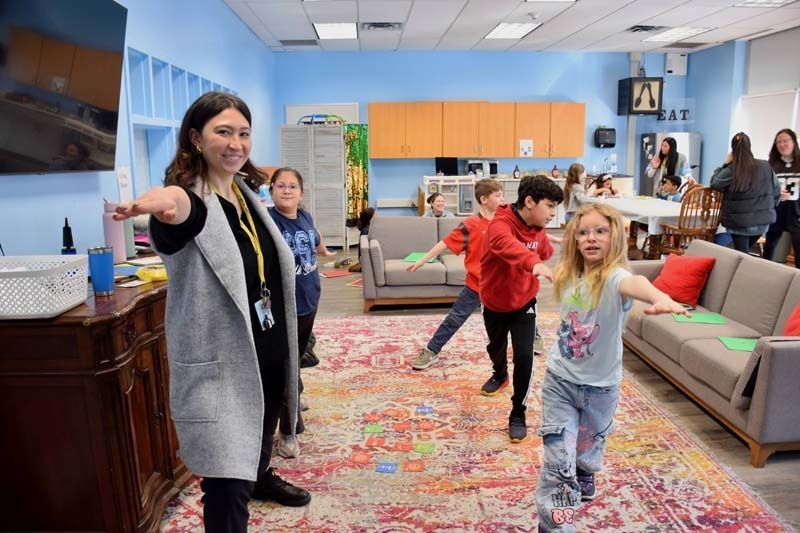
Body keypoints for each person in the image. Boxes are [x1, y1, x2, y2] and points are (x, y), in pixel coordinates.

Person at [112, 92, 310, 532]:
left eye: (243, 133)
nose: (235, 142)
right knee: (224, 486)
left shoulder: (244, 193)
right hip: (224, 367)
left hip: (268, 354)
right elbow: (181, 210)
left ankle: (261, 476)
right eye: (223, 132)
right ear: (196, 139)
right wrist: (160, 204)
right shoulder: (190, 198)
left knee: (256, 450)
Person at [535, 202, 689, 533]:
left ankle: (586, 467)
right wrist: (535, 265)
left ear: (614, 236)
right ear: (575, 239)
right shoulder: (569, 274)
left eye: (600, 231)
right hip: (559, 382)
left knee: (588, 449)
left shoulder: (616, 278)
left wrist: (659, 297)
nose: (592, 238)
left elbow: (637, 285)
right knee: (557, 465)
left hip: (601, 389)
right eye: (584, 232)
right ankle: (557, 527)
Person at [479, 175, 564, 443]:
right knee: (496, 347)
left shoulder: (538, 227)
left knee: (525, 356)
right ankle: (500, 372)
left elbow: (545, 250)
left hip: (525, 301)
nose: (553, 214)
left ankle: (518, 412)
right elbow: (507, 245)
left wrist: (551, 251)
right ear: (529, 202)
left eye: (555, 208)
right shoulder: (499, 224)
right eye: (549, 206)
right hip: (494, 300)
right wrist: (532, 262)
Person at [268, 167, 334, 459]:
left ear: (301, 193)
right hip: (284, 306)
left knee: (297, 355)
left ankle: (296, 391)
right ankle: (288, 431)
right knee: (285, 366)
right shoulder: (268, 221)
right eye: (280, 186)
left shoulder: (304, 216)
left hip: (309, 299)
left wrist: (326, 252)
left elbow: (315, 239)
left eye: (292, 186)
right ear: (272, 191)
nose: (286, 190)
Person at [407, 178, 505, 370]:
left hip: (501, 284)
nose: (503, 199)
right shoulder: (471, 224)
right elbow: (444, 243)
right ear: (484, 199)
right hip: (476, 285)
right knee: (454, 318)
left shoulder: (506, 221)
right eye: (498, 195)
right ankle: (432, 350)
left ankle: (532, 339)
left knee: (519, 316)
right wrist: (422, 260)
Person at [710, 132, 780, 254]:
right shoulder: (765, 166)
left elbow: (715, 183)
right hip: (762, 222)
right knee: (743, 255)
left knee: (741, 256)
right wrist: (768, 207)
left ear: (733, 150)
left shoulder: (733, 169)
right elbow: (776, 190)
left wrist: (725, 164)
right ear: (749, 147)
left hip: (739, 224)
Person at [763, 128, 800, 266]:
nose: (782, 145)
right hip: (776, 212)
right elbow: (764, 189)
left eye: (785, 141)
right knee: (769, 247)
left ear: (794, 142)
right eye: (779, 142)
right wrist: (776, 194)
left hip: (796, 213)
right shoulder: (771, 165)